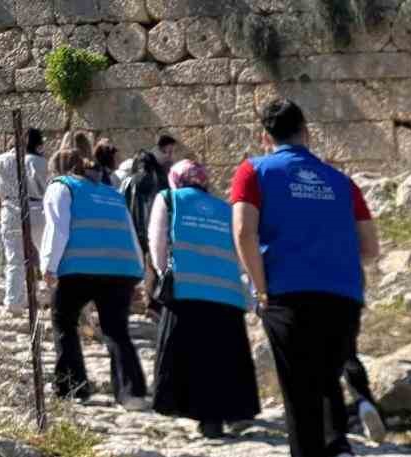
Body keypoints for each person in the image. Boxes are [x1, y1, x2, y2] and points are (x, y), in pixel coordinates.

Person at [231, 99, 378, 457]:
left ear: (265, 136)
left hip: (288, 294)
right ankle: (340, 456)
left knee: (299, 390)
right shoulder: (341, 181)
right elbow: (370, 247)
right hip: (344, 296)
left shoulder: (253, 171)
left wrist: (261, 289)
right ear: (306, 133)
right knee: (325, 379)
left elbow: (243, 230)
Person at [148, 159, 259, 440]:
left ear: (176, 179)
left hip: (186, 290)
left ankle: (191, 411)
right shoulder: (224, 209)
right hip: (226, 293)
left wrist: (163, 274)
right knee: (220, 358)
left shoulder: (168, 198)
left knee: (188, 356)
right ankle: (219, 417)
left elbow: (157, 241)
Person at [41, 141, 147, 405]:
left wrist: (49, 266)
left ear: (57, 170)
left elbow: (58, 229)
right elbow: (131, 234)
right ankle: (131, 393)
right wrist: (139, 273)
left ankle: (73, 387)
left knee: (64, 322)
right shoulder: (112, 193)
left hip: (79, 269)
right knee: (116, 330)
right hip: (121, 270)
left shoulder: (61, 187)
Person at [0, 127, 48, 311]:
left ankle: (14, 301)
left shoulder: (1, 160)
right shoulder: (38, 162)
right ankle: (47, 297)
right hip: (37, 209)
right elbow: (46, 187)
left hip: (10, 209)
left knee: (15, 259)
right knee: (45, 256)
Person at [121, 133, 177, 305]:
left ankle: (139, 298)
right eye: (168, 152)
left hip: (135, 228)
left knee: (140, 264)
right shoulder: (158, 177)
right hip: (151, 227)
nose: (170, 157)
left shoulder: (131, 180)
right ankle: (152, 300)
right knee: (153, 264)